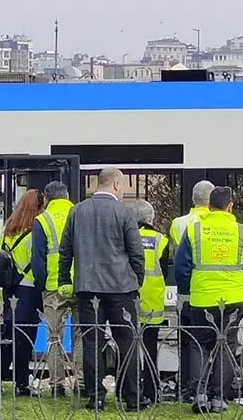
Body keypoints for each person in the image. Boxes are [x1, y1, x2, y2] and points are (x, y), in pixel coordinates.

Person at [57, 167, 150, 412]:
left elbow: (65, 250)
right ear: (117, 185)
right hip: (121, 289)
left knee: (91, 343)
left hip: (88, 288)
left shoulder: (77, 211)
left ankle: (95, 397)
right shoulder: (124, 212)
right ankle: (131, 397)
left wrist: (64, 279)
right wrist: (136, 280)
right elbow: (136, 252)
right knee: (127, 342)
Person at [174, 186, 243, 414]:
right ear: (231, 206)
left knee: (199, 345)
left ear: (209, 206)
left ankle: (199, 394)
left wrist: (189, 288)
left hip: (202, 298)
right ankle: (219, 398)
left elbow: (181, 266)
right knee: (226, 346)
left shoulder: (194, 230)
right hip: (232, 299)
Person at [32, 181, 82, 397]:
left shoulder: (42, 220)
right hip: (80, 284)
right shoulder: (80, 214)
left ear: (47, 198)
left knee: (54, 337)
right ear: (67, 195)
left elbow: (38, 259)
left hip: (53, 287)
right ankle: (81, 383)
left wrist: (41, 284)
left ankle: (56, 385)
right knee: (81, 334)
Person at [168, 179, 214, 402]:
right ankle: (211, 387)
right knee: (215, 342)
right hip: (213, 293)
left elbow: (180, 258)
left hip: (187, 293)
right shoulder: (216, 223)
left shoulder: (178, 223)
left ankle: (187, 386)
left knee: (188, 341)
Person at [0, 190, 43, 396]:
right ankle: (21, 383)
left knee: (9, 334)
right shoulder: (36, 231)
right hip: (29, 288)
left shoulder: (8, 229)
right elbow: (38, 261)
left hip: (10, 288)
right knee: (25, 336)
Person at [132, 199, 169, 404]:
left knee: (128, 348)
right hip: (153, 300)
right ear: (151, 218)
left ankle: (128, 388)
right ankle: (152, 391)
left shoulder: (126, 237)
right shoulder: (161, 240)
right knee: (150, 347)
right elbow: (163, 271)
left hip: (130, 298)